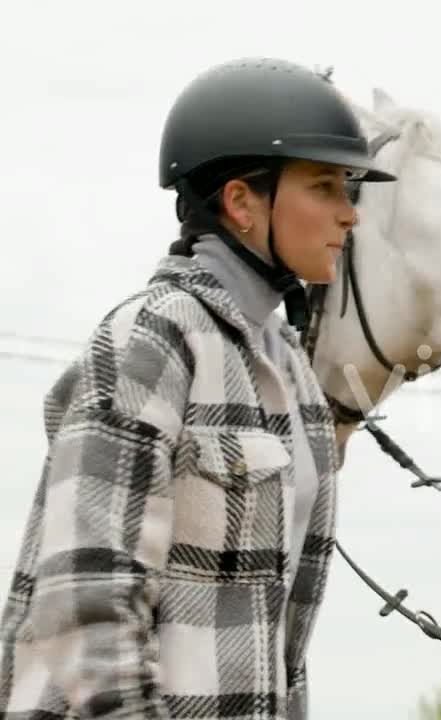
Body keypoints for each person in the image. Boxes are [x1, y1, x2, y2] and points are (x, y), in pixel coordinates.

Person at [0, 57, 396, 719]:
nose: (349, 214)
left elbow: (280, 643)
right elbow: (86, 604)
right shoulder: (150, 341)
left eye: (349, 188)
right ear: (242, 202)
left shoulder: (291, 369)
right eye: (326, 187)